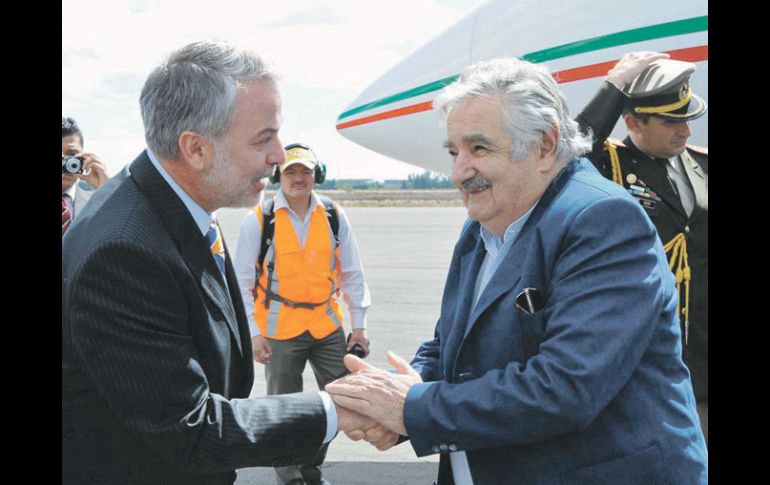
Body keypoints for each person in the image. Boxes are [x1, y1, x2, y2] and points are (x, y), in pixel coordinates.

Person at [326, 57, 708, 484]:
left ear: (545, 145)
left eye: (479, 148)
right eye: (454, 152)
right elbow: (451, 344)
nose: (457, 173)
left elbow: (565, 388)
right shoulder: (485, 221)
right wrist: (398, 395)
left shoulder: (604, 220)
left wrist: (412, 408)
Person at [62, 40, 377, 485]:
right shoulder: (125, 251)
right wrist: (340, 408)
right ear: (195, 149)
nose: (279, 156)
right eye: (263, 139)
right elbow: (190, 428)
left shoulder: (182, 201)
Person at [575, 51, 708, 440]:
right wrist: (615, 84)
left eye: (687, 119)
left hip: (699, 355)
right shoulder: (609, 163)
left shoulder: (701, 166)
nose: (684, 131)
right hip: (639, 349)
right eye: (670, 122)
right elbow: (568, 148)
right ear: (632, 122)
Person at [233, 142, 371, 485]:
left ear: (316, 175)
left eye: (306, 172)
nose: (299, 178)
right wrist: (252, 333)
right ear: (279, 175)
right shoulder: (260, 219)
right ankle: (289, 475)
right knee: (283, 407)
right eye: (291, 171)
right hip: (279, 328)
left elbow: (353, 273)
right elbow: (241, 282)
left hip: (326, 325)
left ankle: (311, 467)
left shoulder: (333, 215)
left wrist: (359, 326)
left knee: (339, 400)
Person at [61, 116, 109, 235]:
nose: (63, 162)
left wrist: (108, 189)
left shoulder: (98, 200)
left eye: (71, 154)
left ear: (84, 156)